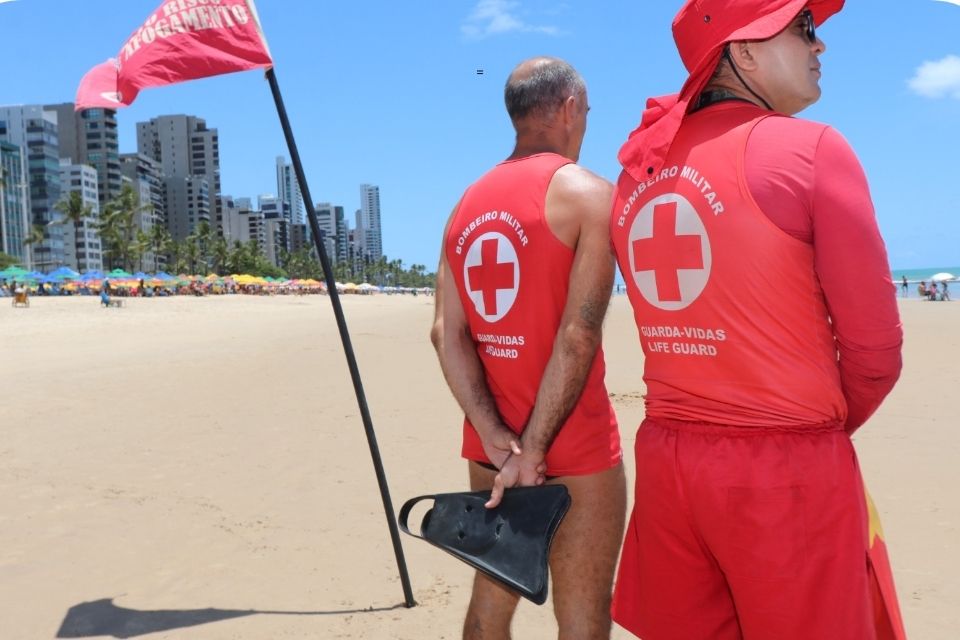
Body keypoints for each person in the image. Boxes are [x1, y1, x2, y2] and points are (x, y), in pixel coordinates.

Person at [608, 2, 904, 639]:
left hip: (668, 466)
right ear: (742, 53)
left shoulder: (636, 173)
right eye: (804, 28)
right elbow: (876, 352)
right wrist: (808, 426)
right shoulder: (812, 150)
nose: (819, 45)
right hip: (783, 477)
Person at [431, 57, 626, 639]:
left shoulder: (464, 206)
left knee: (491, 605)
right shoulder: (591, 197)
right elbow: (578, 333)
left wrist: (498, 441)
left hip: (491, 448)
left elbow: (447, 332)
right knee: (583, 615)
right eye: (586, 112)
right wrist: (535, 449)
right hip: (577, 446)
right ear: (569, 109)